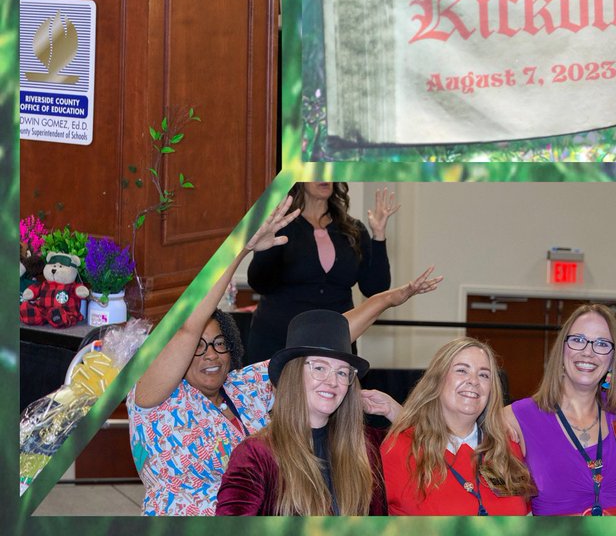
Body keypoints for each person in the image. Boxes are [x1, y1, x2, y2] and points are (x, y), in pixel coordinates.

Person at [127, 196, 441, 516]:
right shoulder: (157, 396)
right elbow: (186, 328)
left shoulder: (244, 386)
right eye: (198, 346)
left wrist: (386, 300)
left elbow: (323, 340)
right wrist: (242, 250)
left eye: (220, 343)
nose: (211, 355)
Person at [215, 310, 384, 515]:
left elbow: (427, 446)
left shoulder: (363, 450)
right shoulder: (255, 455)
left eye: (342, 372)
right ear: (293, 374)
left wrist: (394, 410)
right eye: (320, 368)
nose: (333, 382)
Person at [505, 304, 616, 514]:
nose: (588, 352)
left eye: (601, 343)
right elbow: (457, 435)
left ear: (613, 358)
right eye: (578, 340)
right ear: (562, 349)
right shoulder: (518, 417)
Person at [244, 183, 396, 363]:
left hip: (335, 341)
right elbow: (259, 282)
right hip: (278, 341)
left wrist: (378, 235)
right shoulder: (282, 224)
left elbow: (375, 288)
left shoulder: (353, 229)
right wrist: (264, 248)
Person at [382, 339, 532, 515]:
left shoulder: (506, 446)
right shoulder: (399, 448)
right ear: (437, 380)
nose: (473, 381)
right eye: (462, 370)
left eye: (484, 375)